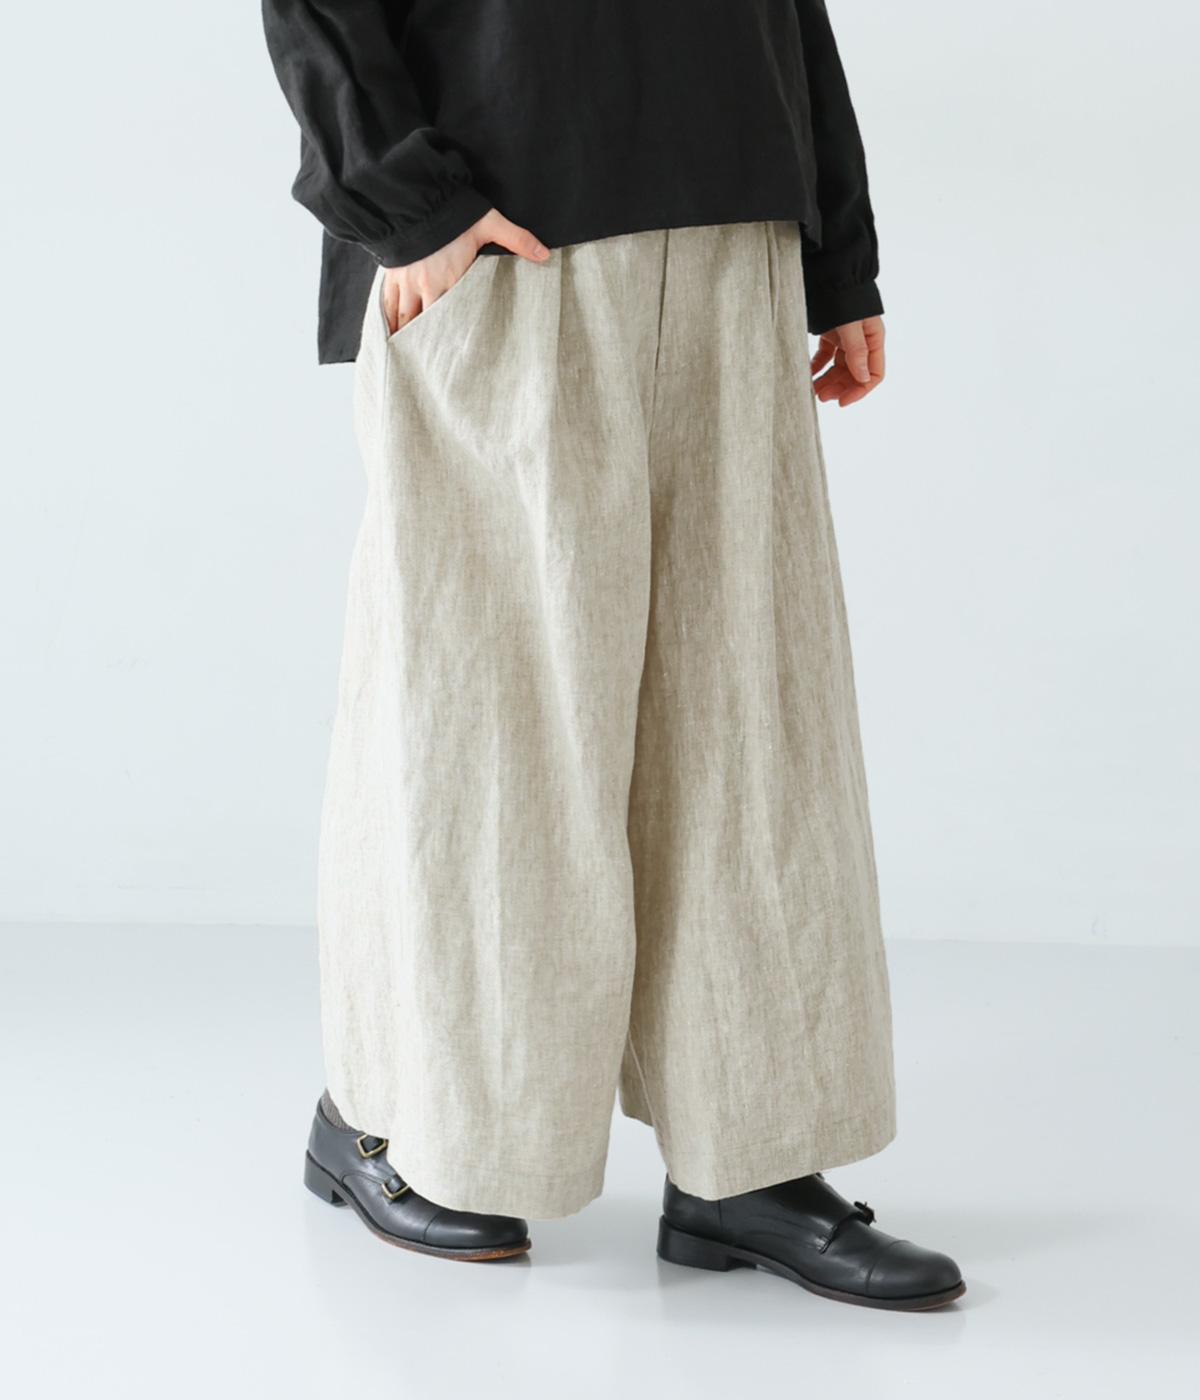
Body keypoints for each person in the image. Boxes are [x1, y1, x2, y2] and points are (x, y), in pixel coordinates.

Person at [261, 0, 965, 1309]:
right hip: (500, 214)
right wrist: (400, 195)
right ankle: (394, 1115)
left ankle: (749, 1159)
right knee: (487, 716)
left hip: (731, 207)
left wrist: (838, 249)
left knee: (750, 715)